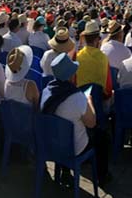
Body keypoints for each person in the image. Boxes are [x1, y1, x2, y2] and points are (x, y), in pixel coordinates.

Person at [40, 53, 110, 185]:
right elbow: (92, 123)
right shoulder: (77, 98)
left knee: (67, 128)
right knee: (101, 136)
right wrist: (89, 102)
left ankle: (66, 171)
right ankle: (103, 175)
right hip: (72, 148)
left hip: (52, 142)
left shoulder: (46, 91)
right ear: (71, 75)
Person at [74, 21, 113, 100]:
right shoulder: (104, 58)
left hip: (80, 100)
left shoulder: (77, 57)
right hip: (98, 101)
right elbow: (108, 89)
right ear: (96, 40)